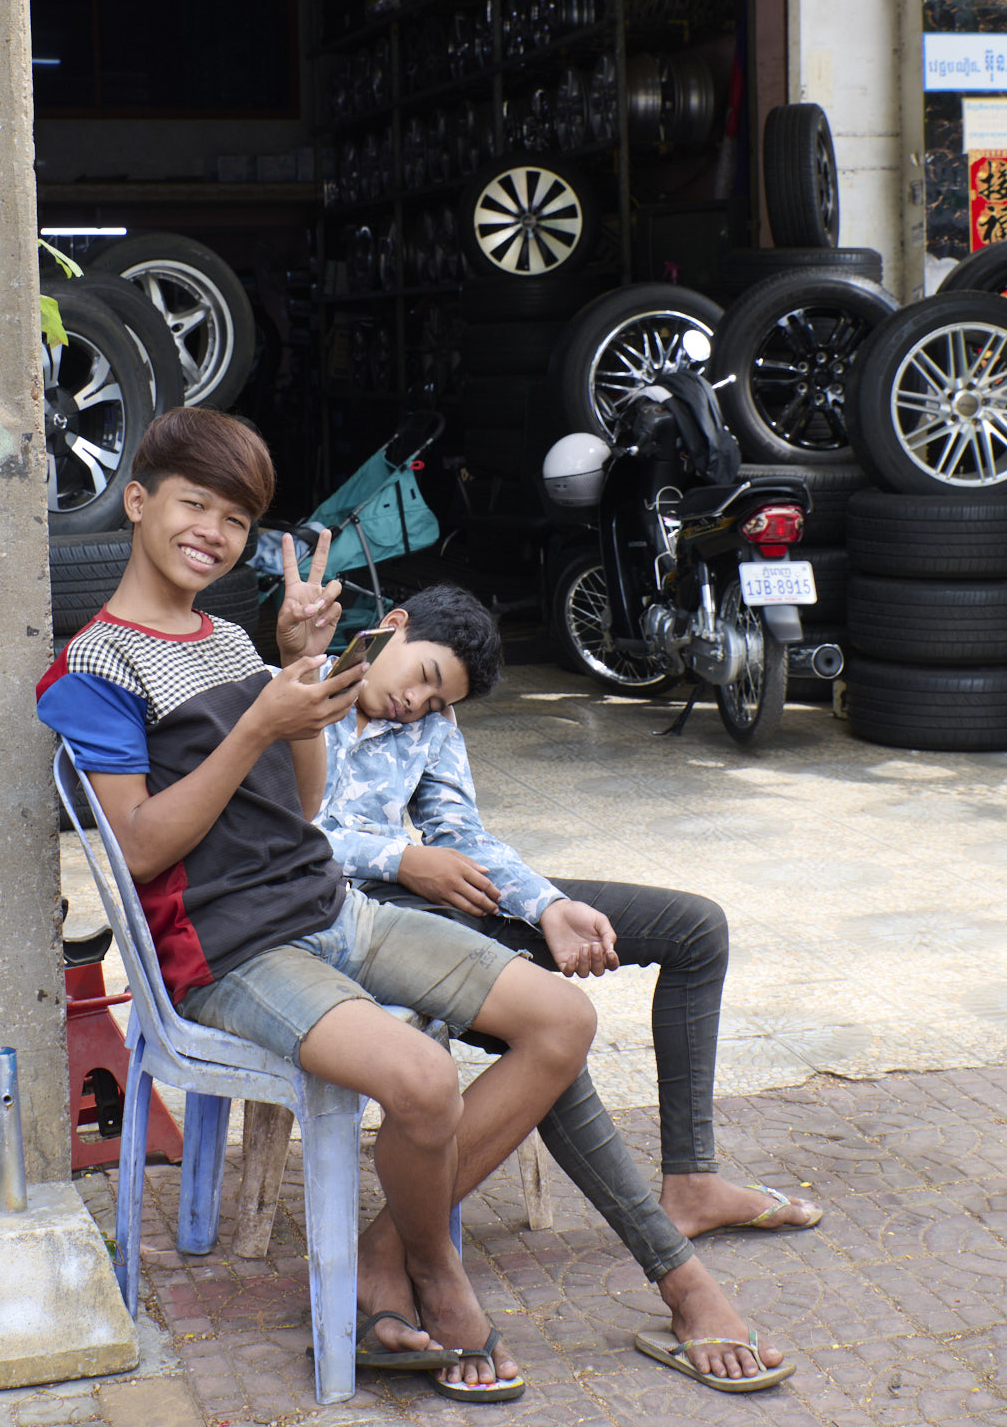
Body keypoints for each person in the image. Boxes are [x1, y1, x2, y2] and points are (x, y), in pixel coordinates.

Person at [36, 408, 602, 1404]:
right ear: (137, 502)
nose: (213, 532)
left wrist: (301, 671)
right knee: (423, 1079)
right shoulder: (94, 668)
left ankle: (388, 1252)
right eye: (194, 505)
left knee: (562, 1018)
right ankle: (438, 1271)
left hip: (326, 908)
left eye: (236, 518)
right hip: (227, 949)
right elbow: (141, 847)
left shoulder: (227, 640)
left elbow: (301, 807)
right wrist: (259, 721)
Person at [317, 583, 817, 1394]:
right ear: (393, 626)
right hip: (366, 929)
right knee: (551, 1038)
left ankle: (691, 1178)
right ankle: (678, 1278)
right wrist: (401, 859)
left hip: (447, 899)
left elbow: (461, 835)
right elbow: (285, 836)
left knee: (696, 928)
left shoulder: (431, 725)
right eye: (425, 679)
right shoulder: (299, 692)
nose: (418, 704)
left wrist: (547, 905)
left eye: (438, 701)